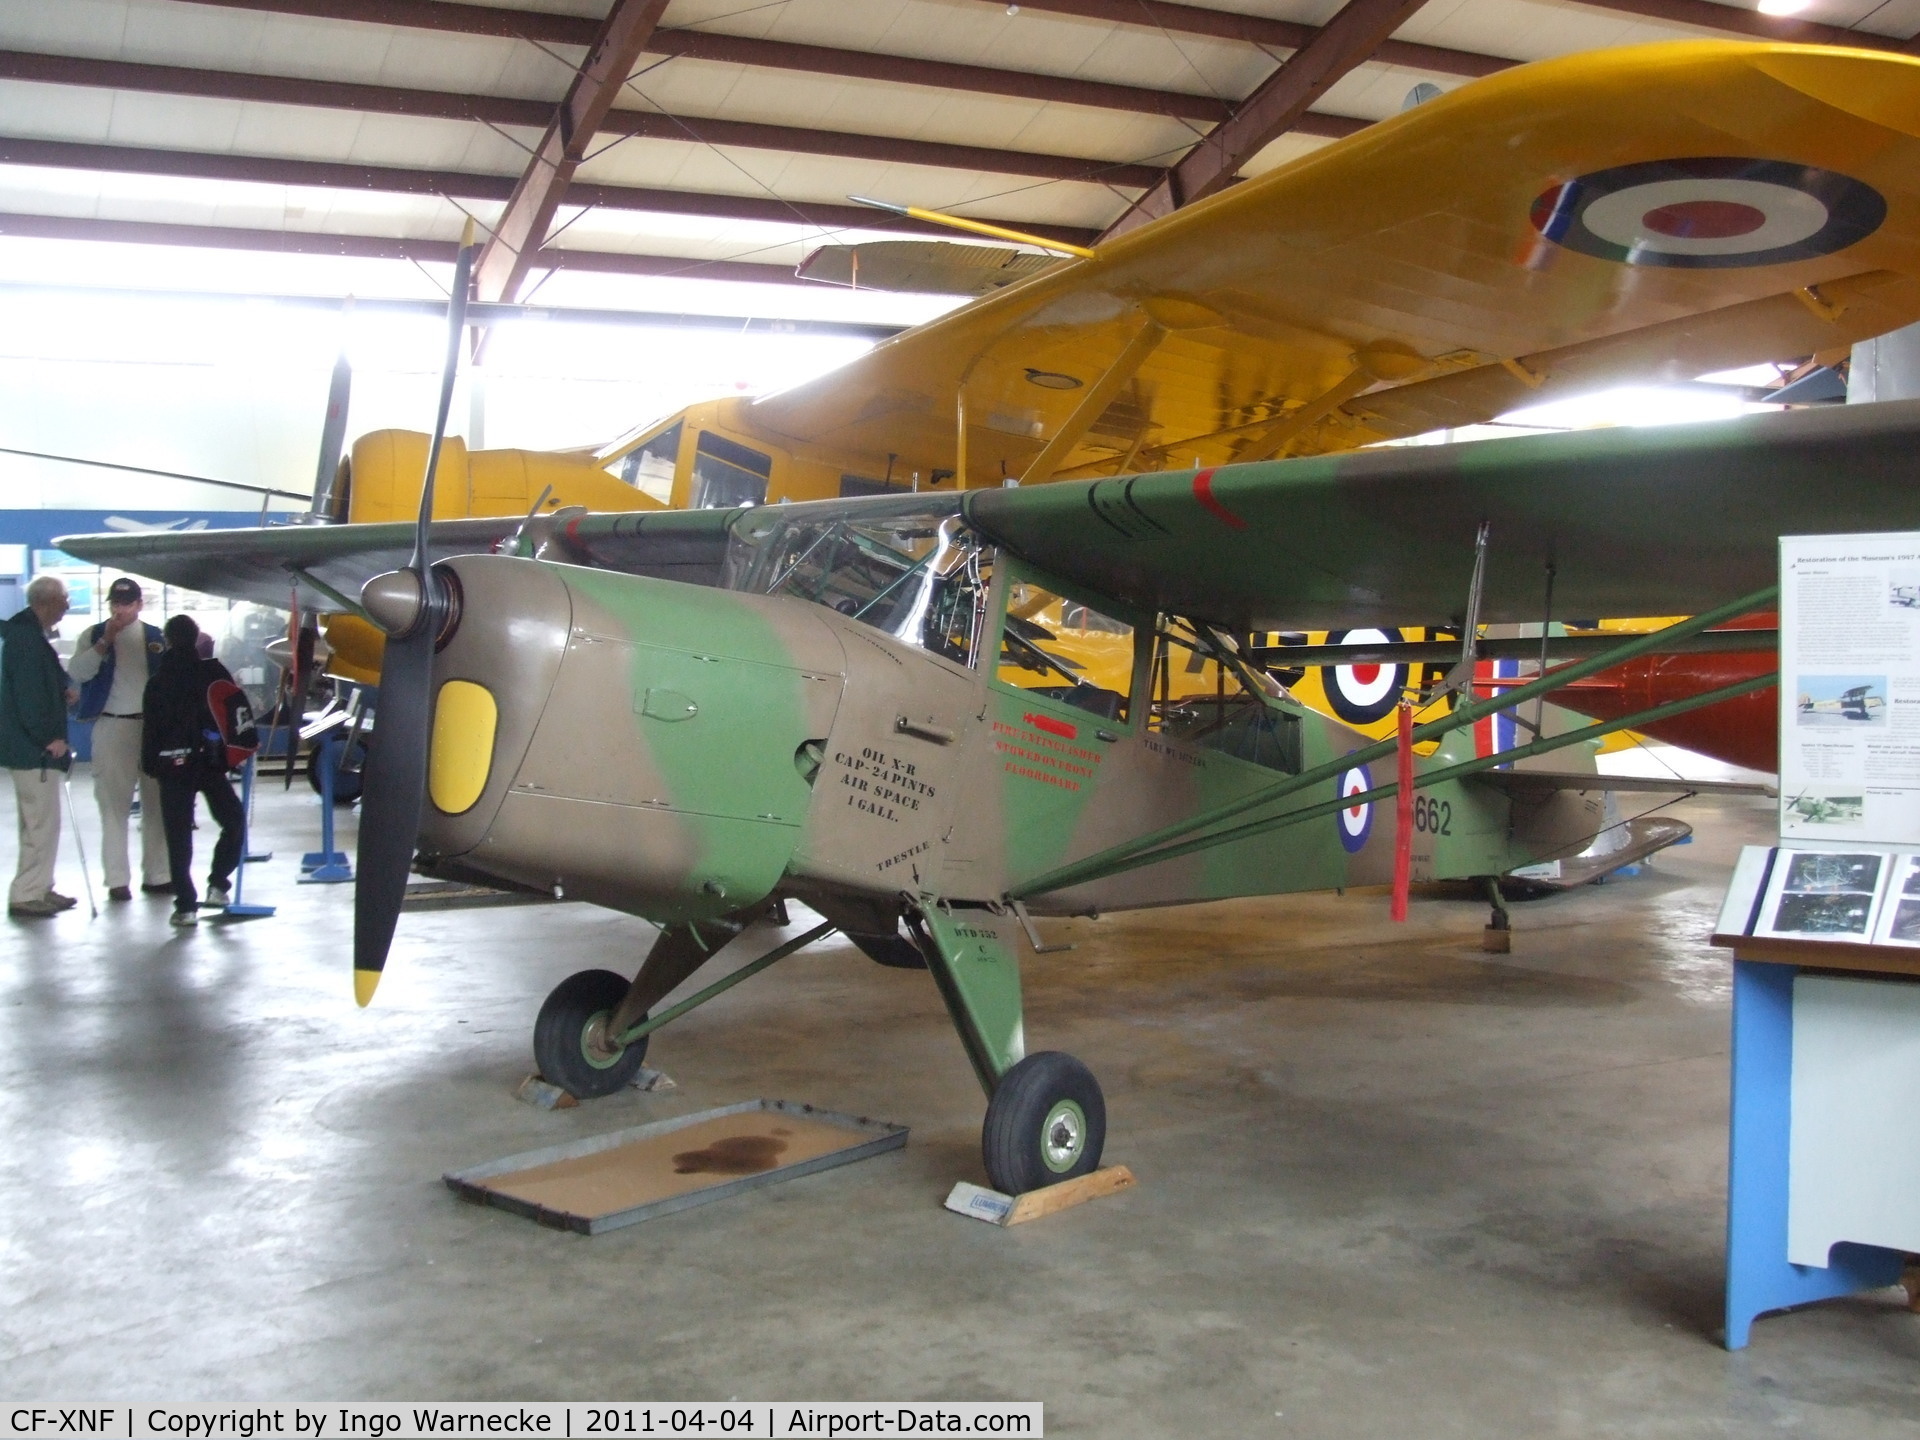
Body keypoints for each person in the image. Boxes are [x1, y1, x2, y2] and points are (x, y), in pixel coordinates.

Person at [68, 577, 169, 901]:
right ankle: (116, 879)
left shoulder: (156, 638)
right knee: (113, 805)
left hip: (152, 727)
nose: (120, 609)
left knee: (157, 803)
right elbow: (79, 672)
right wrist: (104, 644)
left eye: (127, 603)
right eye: (115, 603)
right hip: (112, 725)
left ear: (139, 605)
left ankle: (158, 874)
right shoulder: (94, 635)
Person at [142, 615, 245, 927]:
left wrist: (150, 765)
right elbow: (234, 710)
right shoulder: (212, 673)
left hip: (172, 766)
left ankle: (185, 906)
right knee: (233, 821)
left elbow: (152, 729)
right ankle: (218, 884)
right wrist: (235, 751)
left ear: (168, 640)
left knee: (178, 835)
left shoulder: (158, 681)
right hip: (210, 762)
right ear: (197, 637)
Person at [2, 575, 78, 918]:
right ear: (47, 601)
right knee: (39, 822)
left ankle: (41, 885)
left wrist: (63, 684)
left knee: (41, 821)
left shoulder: (28, 635)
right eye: (64, 599)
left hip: (29, 749)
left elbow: (41, 678)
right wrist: (49, 738)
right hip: (34, 751)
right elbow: (29, 697)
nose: (67, 605)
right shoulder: (26, 639)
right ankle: (27, 891)